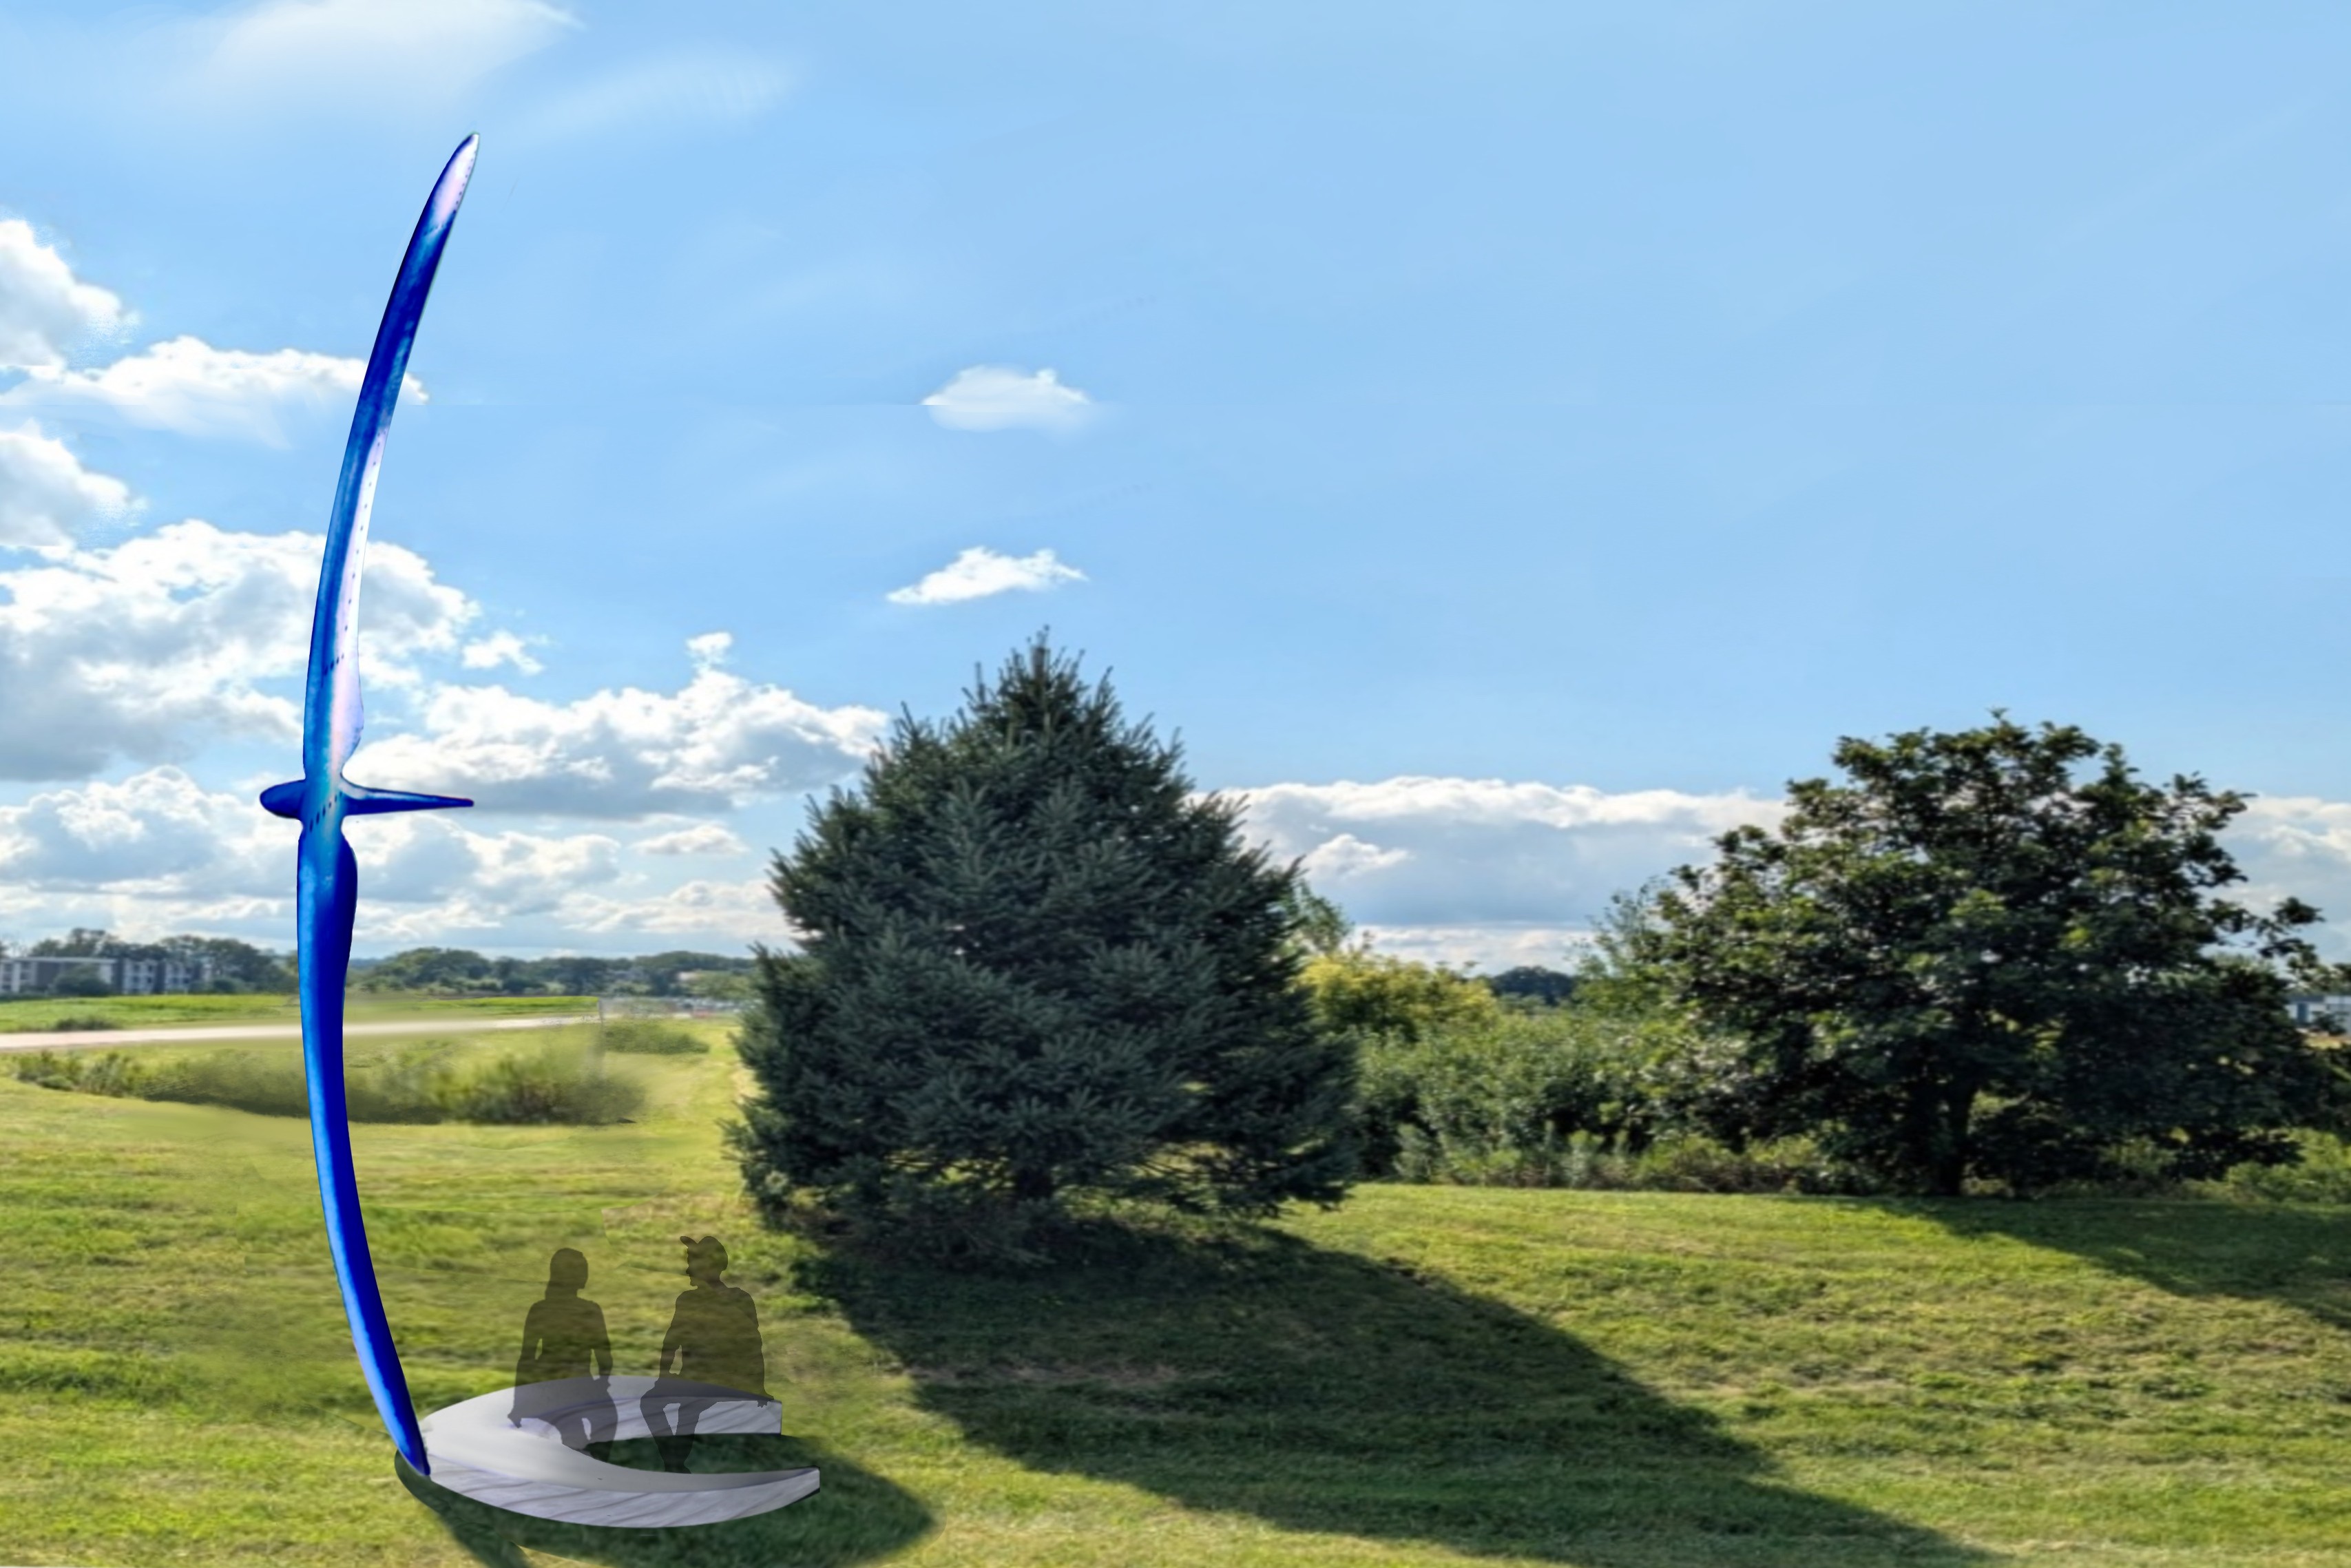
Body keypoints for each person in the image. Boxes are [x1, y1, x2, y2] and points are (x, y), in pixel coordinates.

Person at [641, 1235, 769, 1472]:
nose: (688, 1270)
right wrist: (663, 1375)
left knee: (683, 1407)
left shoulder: (733, 1300)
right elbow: (672, 1341)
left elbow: (752, 1344)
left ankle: (674, 1464)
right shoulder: (693, 1300)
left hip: (719, 1380)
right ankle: (674, 1463)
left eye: (693, 1264)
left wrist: (757, 1386)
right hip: (703, 1378)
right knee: (655, 1402)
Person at [510, 1247, 616, 1451]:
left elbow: (526, 1360)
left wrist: (519, 1402)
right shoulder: (590, 1310)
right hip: (577, 1385)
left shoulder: (540, 1309)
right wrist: (603, 1383)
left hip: (551, 1386)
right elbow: (605, 1356)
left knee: (577, 1431)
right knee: (603, 1424)